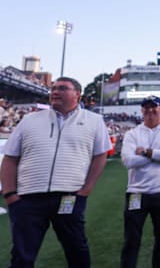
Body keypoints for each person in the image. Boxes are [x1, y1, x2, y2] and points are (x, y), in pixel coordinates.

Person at [1, 77, 112, 268]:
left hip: (69, 196)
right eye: (53, 88)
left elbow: (100, 156)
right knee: (22, 256)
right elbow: (10, 157)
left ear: (77, 95)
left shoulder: (94, 121)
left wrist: (86, 190)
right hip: (29, 198)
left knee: (77, 250)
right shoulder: (29, 120)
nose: (55, 92)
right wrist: (10, 194)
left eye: (62, 88)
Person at [120, 95, 160, 268]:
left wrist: (146, 152)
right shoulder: (133, 133)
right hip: (136, 191)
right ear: (142, 110)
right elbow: (129, 161)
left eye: (154, 107)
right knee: (131, 238)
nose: (150, 110)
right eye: (146, 107)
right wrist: (158, 153)